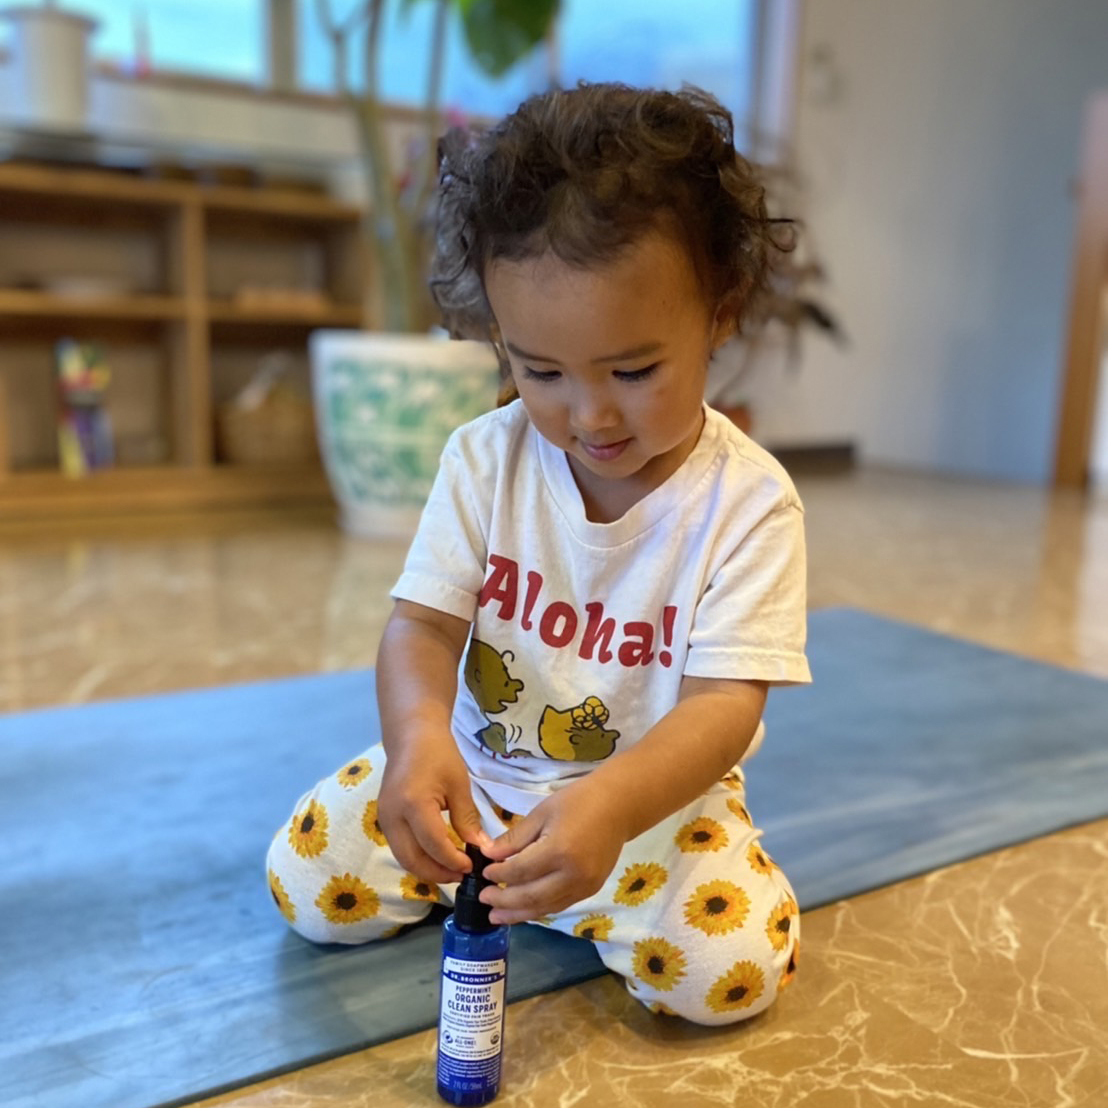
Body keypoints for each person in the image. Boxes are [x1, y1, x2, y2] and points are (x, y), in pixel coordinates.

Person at [267, 82, 811, 1026]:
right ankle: (489, 877)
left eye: (633, 370)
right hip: (476, 783)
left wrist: (612, 809)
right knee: (307, 881)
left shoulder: (750, 502)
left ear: (720, 313)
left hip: (646, 810)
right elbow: (421, 628)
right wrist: (419, 742)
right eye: (540, 370)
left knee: (730, 969)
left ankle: (578, 892)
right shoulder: (484, 459)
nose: (589, 414)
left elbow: (724, 705)